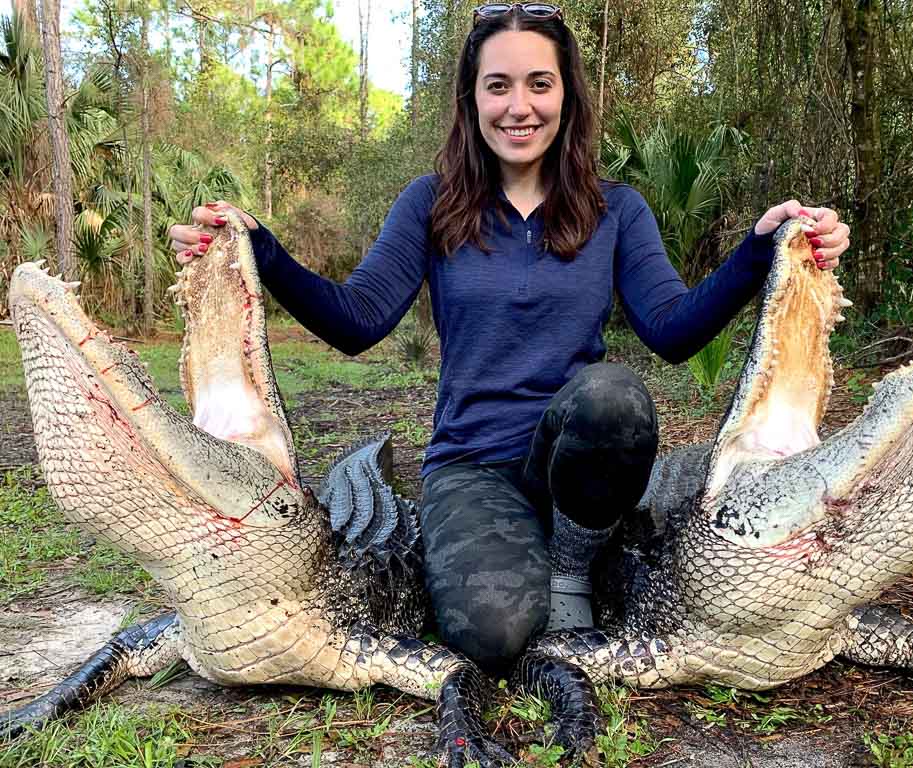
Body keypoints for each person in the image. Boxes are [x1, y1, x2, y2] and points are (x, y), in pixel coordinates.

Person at [169, 2, 850, 674]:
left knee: (613, 396)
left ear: (566, 95)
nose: (518, 106)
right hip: (470, 467)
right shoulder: (430, 205)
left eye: (538, 83)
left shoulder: (617, 211)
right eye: (498, 85)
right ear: (472, 99)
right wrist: (261, 250)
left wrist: (760, 253)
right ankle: (529, 559)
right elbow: (356, 321)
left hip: (574, 463)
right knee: (493, 636)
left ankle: (572, 568)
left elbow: (672, 331)